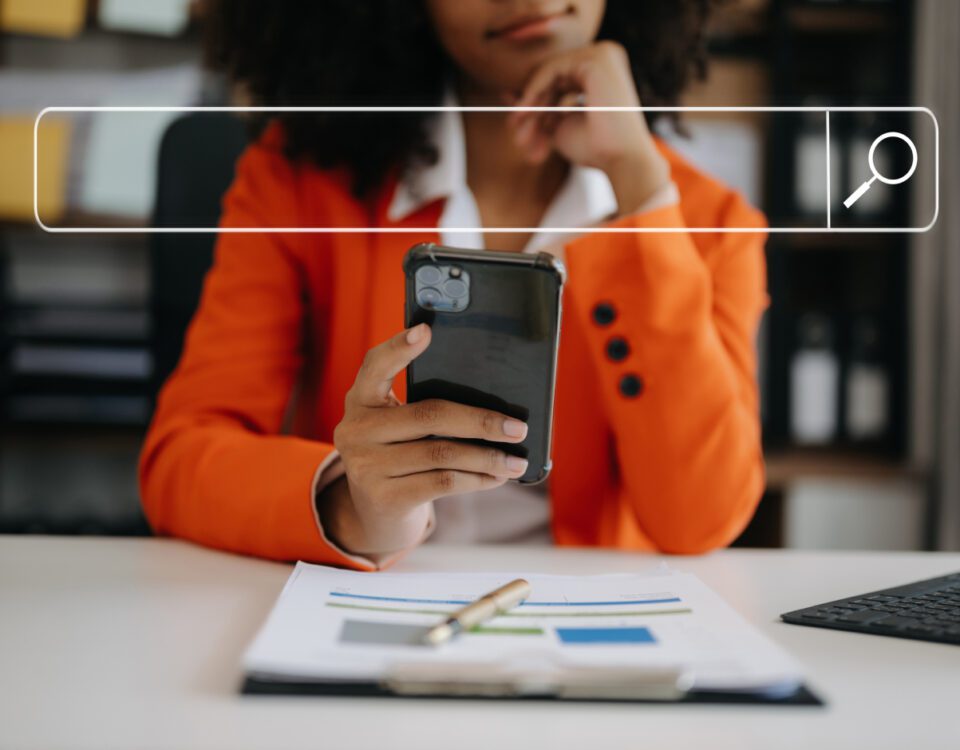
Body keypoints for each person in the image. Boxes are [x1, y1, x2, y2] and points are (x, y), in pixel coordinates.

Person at [139, 0, 768, 568]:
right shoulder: (296, 183)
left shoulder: (703, 222)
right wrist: (349, 503)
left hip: (576, 632)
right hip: (363, 604)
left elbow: (700, 519)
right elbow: (181, 460)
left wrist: (637, 182)